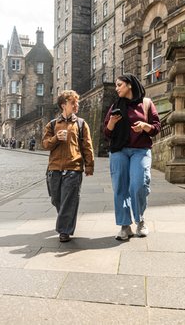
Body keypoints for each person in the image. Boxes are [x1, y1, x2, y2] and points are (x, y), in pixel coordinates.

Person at [103, 73, 161, 240]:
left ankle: (140, 221)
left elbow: (157, 127)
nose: (116, 88)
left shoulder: (146, 103)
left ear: (129, 85)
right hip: (118, 150)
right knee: (120, 187)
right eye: (116, 85)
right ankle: (124, 225)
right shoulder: (116, 104)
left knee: (139, 185)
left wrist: (145, 126)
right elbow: (106, 132)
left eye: (119, 85)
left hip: (140, 150)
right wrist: (112, 122)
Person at [42, 90, 95, 243]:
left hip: (73, 168)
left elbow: (87, 146)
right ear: (63, 105)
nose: (76, 105)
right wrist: (55, 139)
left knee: (69, 200)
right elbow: (45, 144)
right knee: (56, 200)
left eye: (76, 102)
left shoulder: (81, 124)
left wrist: (89, 165)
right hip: (54, 169)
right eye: (73, 103)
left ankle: (64, 230)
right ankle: (65, 220)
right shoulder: (52, 124)